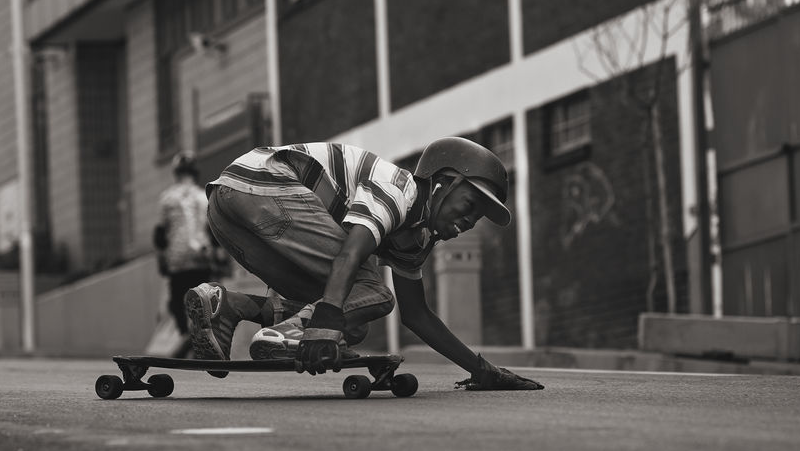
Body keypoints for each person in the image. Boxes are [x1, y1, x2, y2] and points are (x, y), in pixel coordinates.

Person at [184, 138, 543, 390]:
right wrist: (323, 323)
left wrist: (483, 371)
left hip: (224, 205)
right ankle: (285, 333)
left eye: (476, 219)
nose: (468, 223)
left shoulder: (412, 238)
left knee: (351, 321)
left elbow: (418, 316)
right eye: (468, 207)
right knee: (369, 294)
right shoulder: (398, 188)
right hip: (263, 187)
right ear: (442, 185)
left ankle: (227, 307)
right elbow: (351, 255)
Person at [153, 151, 225, 357]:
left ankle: (187, 336)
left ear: (176, 173)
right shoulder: (203, 196)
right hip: (202, 258)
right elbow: (212, 230)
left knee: (177, 302)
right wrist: (218, 254)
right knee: (202, 300)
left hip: (177, 259)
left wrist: (161, 258)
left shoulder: (167, 198)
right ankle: (198, 337)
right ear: (196, 173)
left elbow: (160, 234)